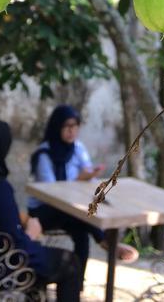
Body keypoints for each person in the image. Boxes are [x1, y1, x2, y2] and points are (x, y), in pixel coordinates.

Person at [0, 118, 82, 302]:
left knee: (47, 260)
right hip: (0, 272)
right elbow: (17, 246)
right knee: (70, 263)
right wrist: (32, 233)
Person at [28, 105, 138, 288]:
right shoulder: (44, 154)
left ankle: (77, 285)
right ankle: (105, 241)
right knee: (76, 213)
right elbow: (52, 191)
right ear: (57, 127)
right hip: (44, 211)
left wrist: (89, 176)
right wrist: (79, 178)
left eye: (75, 126)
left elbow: (88, 175)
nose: (71, 131)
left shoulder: (77, 148)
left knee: (81, 235)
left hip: (69, 211)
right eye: (66, 126)